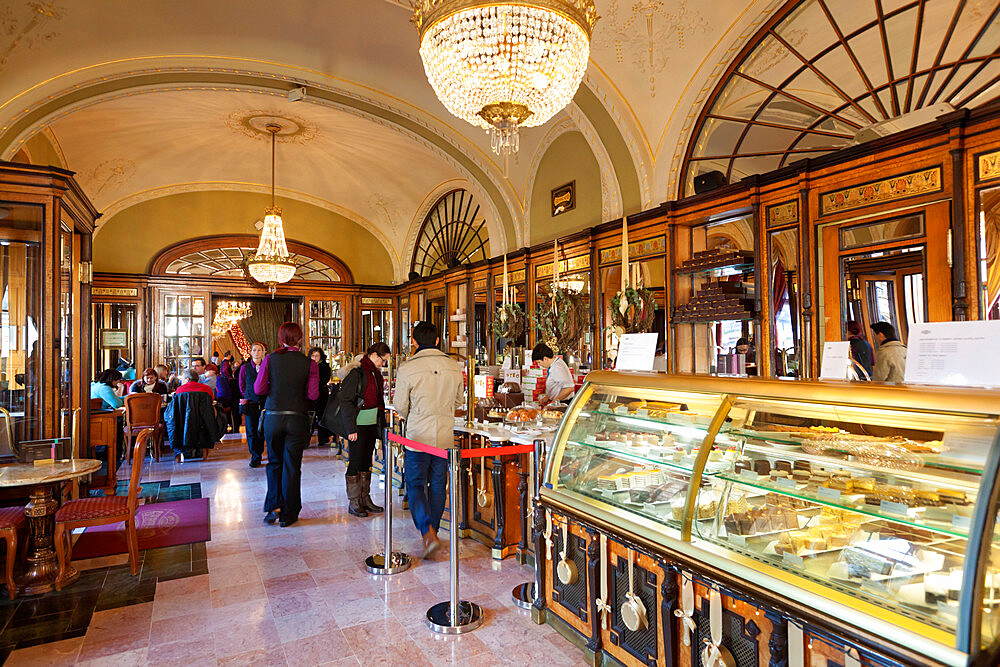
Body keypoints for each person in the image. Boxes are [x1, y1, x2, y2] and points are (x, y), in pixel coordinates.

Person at [395, 322, 463, 558]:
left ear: (414, 342)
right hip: (444, 434)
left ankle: (427, 531)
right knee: (437, 485)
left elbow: (400, 406)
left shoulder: (407, 368)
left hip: (417, 436)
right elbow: (458, 402)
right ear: (437, 341)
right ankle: (431, 532)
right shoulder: (454, 366)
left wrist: (414, 414)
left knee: (414, 484)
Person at [254, 322, 319, 528]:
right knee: (292, 466)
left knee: (274, 462)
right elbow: (313, 395)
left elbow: (259, 389)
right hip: (297, 418)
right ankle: (288, 514)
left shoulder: (270, 359)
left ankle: (273, 506)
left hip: (273, 417)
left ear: (281, 338)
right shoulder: (310, 363)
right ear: (299, 339)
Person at [338, 342, 390, 517]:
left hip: (371, 424)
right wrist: (350, 428)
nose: (384, 364)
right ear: (374, 355)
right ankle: (354, 502)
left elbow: (378, 400)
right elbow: (345, 401)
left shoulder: (375, 373)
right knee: (355, 461)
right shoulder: (357, 372)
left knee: (367, 461)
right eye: (383, 360)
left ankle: (364, 498)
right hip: (358, 425)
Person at [239, 342, 267, 468]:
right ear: (250, 352)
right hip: (251, 403)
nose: (257, 352)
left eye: (259, 350)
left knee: (262, 430)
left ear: (263, 352)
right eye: (254, 350)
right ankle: (255, 456)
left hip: (265, 403)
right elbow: (242, 385)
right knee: (251, 431)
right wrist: (249, 394)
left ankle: (260, 451)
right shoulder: (245, 367)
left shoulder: (267, 367)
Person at [308, 347, 334, 447]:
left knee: (322, 416)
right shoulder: (308, 366)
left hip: (321, 394)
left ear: (321, 356)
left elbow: (323, 380)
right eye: (313, 355)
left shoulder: (324, 367)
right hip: (310, 394)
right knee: (310, 418)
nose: (315, 358)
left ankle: (323, 438)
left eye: (317, 355)